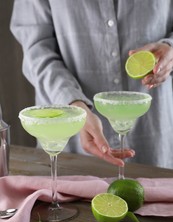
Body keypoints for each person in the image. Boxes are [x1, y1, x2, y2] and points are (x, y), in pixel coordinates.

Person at [10, 0, 173, 169]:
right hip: (70, 141)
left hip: (156, 137)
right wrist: (74, 105)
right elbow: (36, 49)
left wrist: (170, 49)